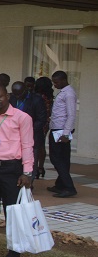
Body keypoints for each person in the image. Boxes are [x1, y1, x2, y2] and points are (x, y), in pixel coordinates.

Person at [0, 85, 35, 257]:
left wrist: (27, 172)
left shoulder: (22, 117)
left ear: (7, 96)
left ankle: (14, 250)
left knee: (12, 210)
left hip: (12, 169)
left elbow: (27, 145)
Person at [48, 70, 77, 198]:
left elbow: (71, 115)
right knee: (63, 159)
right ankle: (60, 185)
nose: (54, 85)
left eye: (56, 82)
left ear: (64, 80)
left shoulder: (69, 93)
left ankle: (69, 187)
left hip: (61, 131)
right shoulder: (63, 92)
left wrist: (65, 134)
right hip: (57, 129)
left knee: (56, 158)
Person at [10, 81, 47, 178]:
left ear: (26, 90)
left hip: (31, 134)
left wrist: (27, 130)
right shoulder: (11, 98)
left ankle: (29, 182)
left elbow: (42, 119)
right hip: (13, 134)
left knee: (31, 159)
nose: (17, 97)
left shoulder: (37, 100)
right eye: (15, 94)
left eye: (19, 94)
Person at [34, 76, 54, 178]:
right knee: (41, 145)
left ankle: (36, 168)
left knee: (36, 145)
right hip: (46, 123)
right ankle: (40, 167)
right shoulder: (50, 97)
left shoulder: (38, 97)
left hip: (38, 122)